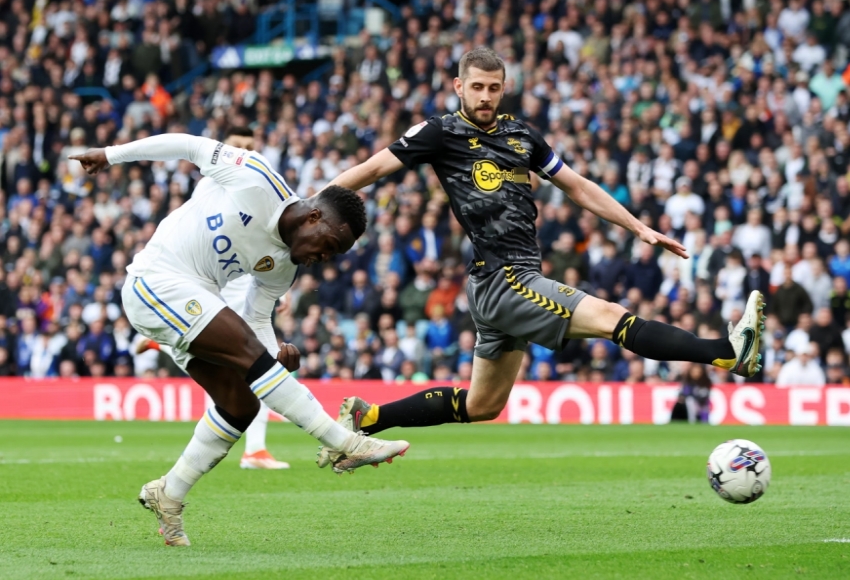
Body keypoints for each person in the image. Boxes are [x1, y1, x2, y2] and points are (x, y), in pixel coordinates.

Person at [319, 47, 765, 459]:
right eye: (476, 87)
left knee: (482, 405)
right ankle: (725, 352)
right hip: (504, 278)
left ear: (504, 87)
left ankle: (368, 418)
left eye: (494, 87)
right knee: (611, 317)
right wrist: (310, 207)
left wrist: (638, 226)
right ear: (459, 87)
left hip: (505, 283)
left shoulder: (521, 136)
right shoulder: (441, 132)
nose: (485, 96)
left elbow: (577, 186)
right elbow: (374, 167)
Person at [71, 133, 409, 547]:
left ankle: (170, 492)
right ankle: (344, 443)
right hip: (154, 282)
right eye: (330, 246)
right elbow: (189, 145)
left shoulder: (283, 269)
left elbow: (255, 320)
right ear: (314, 217)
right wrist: (110, 153)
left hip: (193, 304)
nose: (325, 258)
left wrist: (270, 357)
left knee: (241, 403)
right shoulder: (256, 177)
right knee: (251, 361)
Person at [134, 127, 290, 471]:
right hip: (219, 296)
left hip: (239, 293)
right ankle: (255, 450)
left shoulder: (252, 189)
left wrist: (281, 289)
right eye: (238, 147)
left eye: (251, 147)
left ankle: (252, 448)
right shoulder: (214, 185)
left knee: (246, 372)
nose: (246, 152)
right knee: (253, 369)